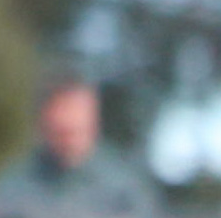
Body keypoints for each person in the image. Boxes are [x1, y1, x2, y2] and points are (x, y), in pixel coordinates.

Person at [12, 77, 146, 210]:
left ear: (94, 125)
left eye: (77, 131)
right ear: (43, 127)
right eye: (62, 133)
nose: (70, 144)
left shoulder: (125, 191)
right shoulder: (15, 193)